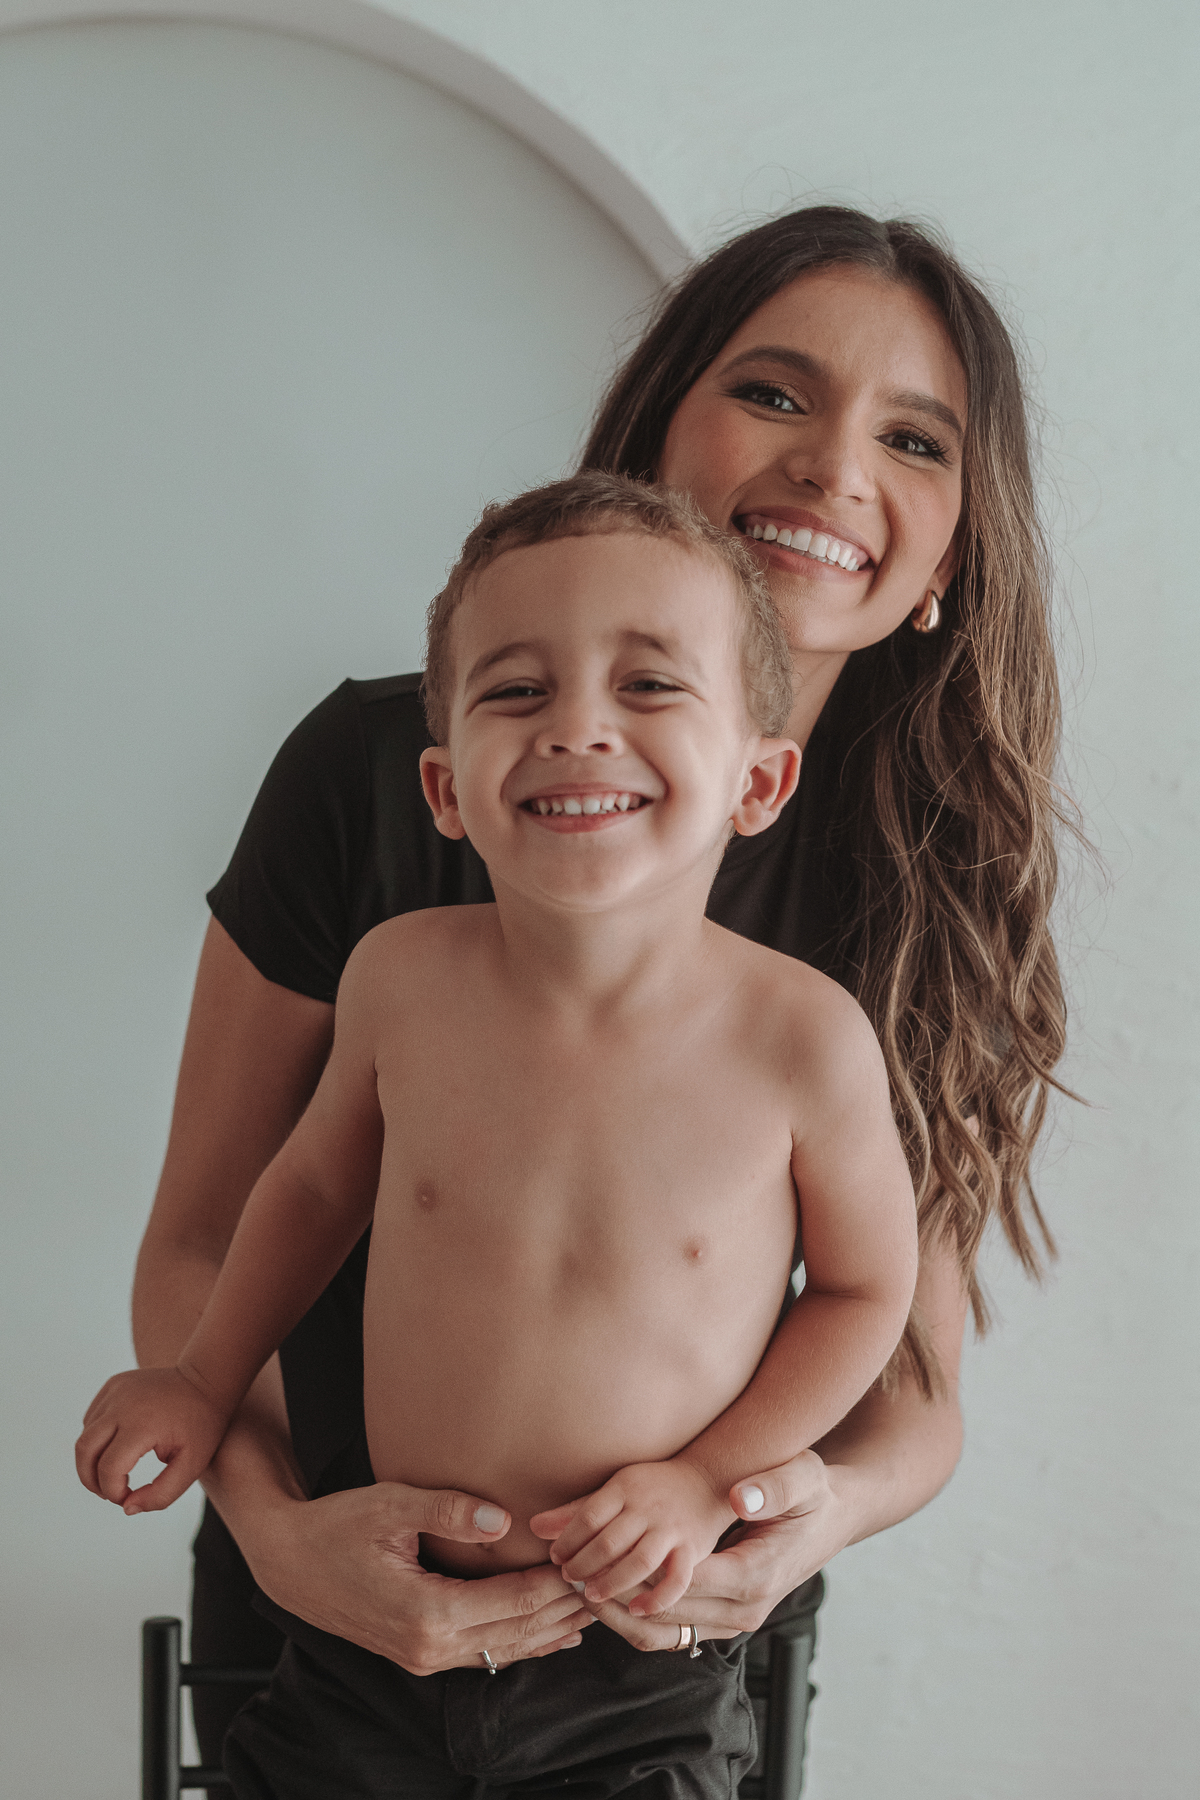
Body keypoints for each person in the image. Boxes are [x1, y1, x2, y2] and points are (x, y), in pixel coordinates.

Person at [125, 205, 1068, 1781]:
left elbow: (907, 1376)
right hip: (326, 1623)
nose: (835, 467)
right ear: (655, 435)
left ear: (948, 561)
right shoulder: (373, 777)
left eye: (914, 439)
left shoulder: (925, 895)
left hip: (662, 1658)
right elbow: (210, 1237)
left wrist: (784, 1512)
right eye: (773, 392)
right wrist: (282, 1535)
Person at [79, 474, 921, 1798]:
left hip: (636, 1656)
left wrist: (709, 1482)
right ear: (445, 787)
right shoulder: (399, 978)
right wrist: (201, 1375)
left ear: (758, 779)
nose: (576, 726)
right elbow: (306, 1195)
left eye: (649, 685)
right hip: (370, 1623)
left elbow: (869, 1293)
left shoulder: (802, 1038)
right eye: (518, 690)